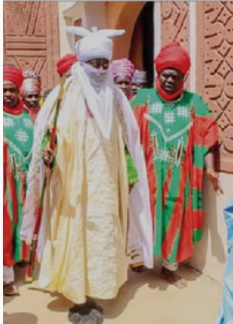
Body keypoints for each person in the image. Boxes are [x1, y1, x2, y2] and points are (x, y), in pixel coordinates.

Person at [21, 27, 153, 323]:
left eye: (105, 64)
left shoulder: (116, 97)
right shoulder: (63, 95)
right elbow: (46, 132)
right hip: (71, 183)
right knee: (75, 234)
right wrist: (46, 153)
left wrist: (130, 174)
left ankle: (98, 288)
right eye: (95, 64)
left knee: (102, 235)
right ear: (82, 64)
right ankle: (78, 297)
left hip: (107, 183)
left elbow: (129, 142)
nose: (101, 69)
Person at [131, 41, 221, 288]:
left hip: (180, 175)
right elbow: (125, 135)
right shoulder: (143, 99)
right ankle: (137, 259)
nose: (170, 80)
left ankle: (170, 268)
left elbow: (207, 137)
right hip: (146, 174)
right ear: (158, 75)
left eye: (176, 76)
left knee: (175, 218)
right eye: (166, 75)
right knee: (142, 215)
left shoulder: (195, 102)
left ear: (184, 77)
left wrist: (210, 169)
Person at [4, 64, 34, 297]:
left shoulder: (26, 115)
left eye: (12, 90)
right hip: (5, 183)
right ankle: (5, 278)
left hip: (25, 179)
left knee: (23, 220)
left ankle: (21, 258)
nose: (7, 95)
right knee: (6, 225)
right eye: (3, 90)